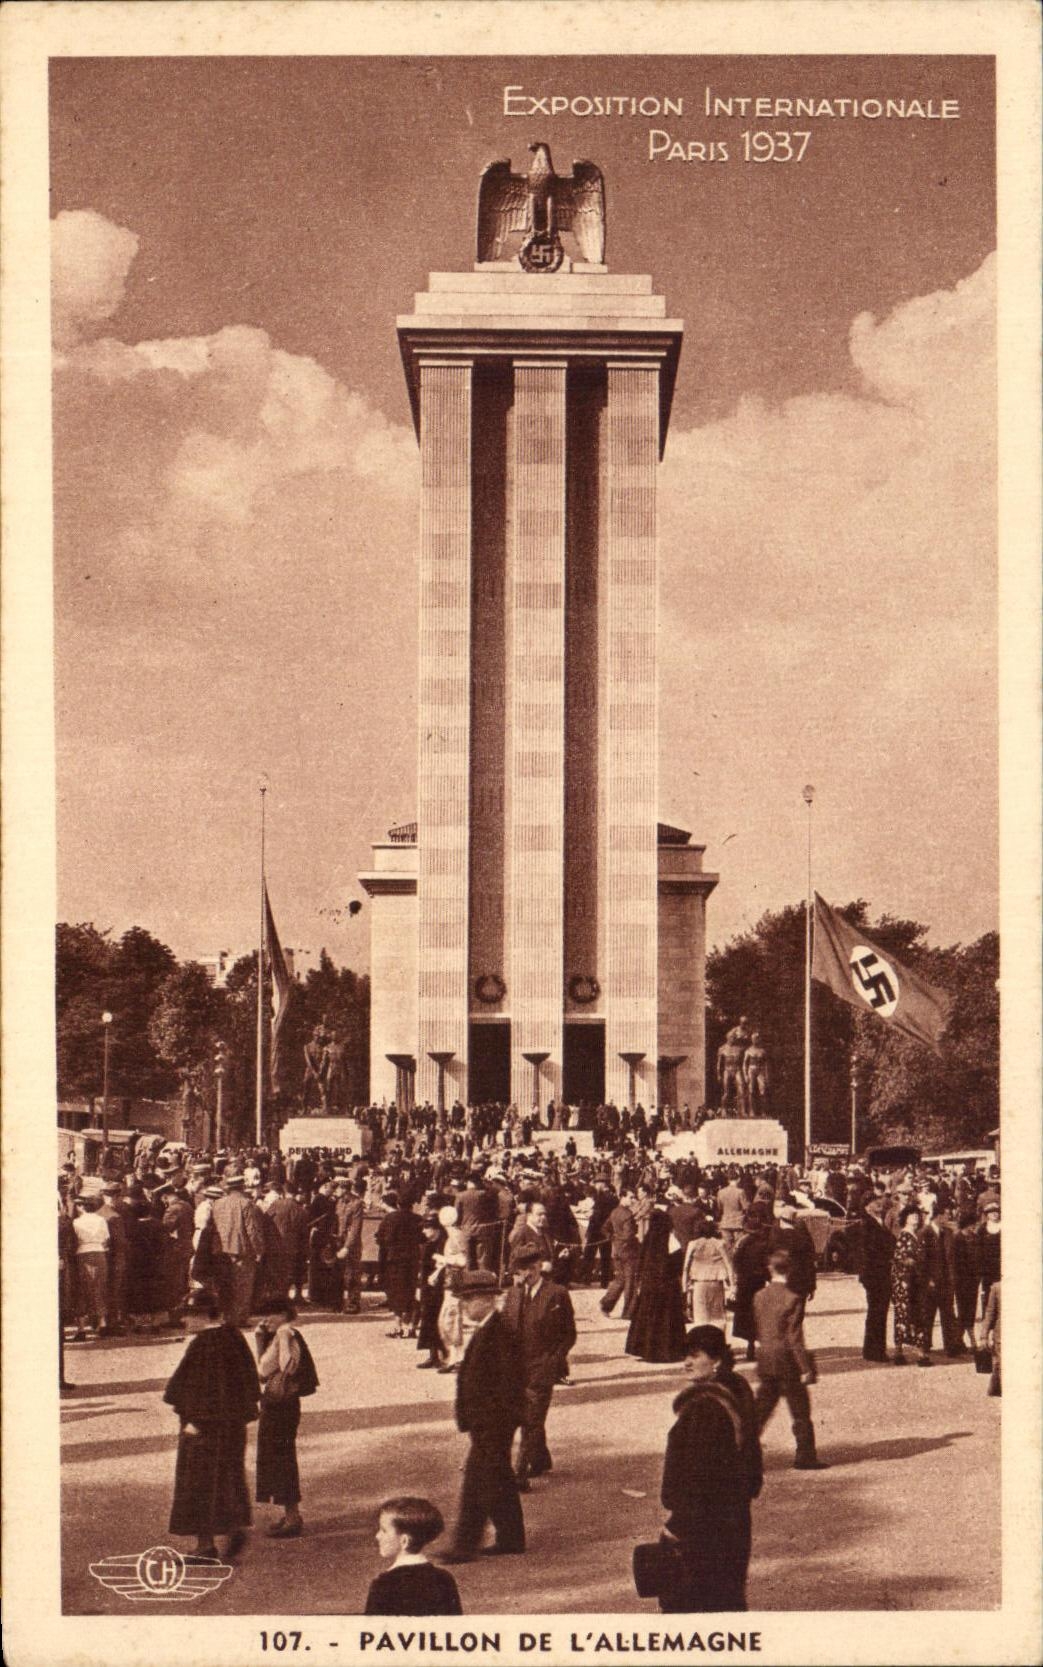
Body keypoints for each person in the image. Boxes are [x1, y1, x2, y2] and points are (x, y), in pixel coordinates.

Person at [658, 1325, 763, 1612]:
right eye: (685, 1355)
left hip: (703, 1528)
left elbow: (696, 1478)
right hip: (734, 1520)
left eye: (695, 1355)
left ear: (716, 1360)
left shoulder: (704, 1408)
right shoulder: (737, 1389)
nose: (686, 1362)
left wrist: (676, 1523)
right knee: (727, 1600)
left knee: (694, 1609)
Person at [163, 1289, 260, 1560]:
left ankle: (205, 1545)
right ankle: (233, 1526)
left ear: (202, 1315)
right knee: (228, 1478)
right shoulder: (232, 1336)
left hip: (204, 1427)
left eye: (188, 1315)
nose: (184, 1321)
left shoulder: (204, 1345)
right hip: (231, 1426)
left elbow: (198, 1389)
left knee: (197, 1484)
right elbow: (247, 1381)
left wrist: (194, 1420)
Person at [442, 1270, 525, 1563]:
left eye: (468, 1300)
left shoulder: (499, 1332)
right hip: (489, 1422)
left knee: (477, 1482)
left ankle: (464, 1545)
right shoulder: (488, 1328)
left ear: (487, 1299)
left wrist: (489, 1421)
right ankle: (512, 1537)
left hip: (492, 1423)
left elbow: (506, 1383)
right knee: (498, 1478)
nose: (464, 1306)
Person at [501, 1244, 577, 1491]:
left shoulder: (557, 1294)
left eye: (525, 1271)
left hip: (542, 1366)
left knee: (530, 1420)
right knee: (530, 1417)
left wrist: (554, 1360)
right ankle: (540, 1459)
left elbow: (569, 1334)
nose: (521, 1276)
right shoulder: (512, 1295)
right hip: (515, 1368)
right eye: (518, 1272)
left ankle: (519, 1474)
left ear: (536, 1268)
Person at [752, 1249, 828, 1470]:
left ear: (770, 1269)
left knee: (761, 1410)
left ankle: (740, 1451)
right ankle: (805, 1456)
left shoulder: (759, 1296)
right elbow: (794, 1337)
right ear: (790, 1270)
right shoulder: (793, 1298)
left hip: (766, 1357)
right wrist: (805, 1367)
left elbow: (759, 1329)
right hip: (787, 1361)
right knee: (800, 1410)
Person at [254, 1300, 319, 1539]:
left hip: (283, 1406)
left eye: (271, 1314)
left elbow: (287, 1367)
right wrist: (261, 1338)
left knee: (282, 1459)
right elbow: (262, 1371)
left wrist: (281, 1337)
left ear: (283, 1315)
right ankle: (289, 1512)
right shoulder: (277, 1334)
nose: (266, 1319)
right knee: (275, 1458)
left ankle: (293, 1517)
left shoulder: (288, 1335)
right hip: (274, 1404)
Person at [366, 1497, 462, 1615]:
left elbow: (372, 1630)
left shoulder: (383, 1584)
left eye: (383, 1530)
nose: (377, 1536)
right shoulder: (445, 1579)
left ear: (404, 1541)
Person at [625, 1199, 687, 1364]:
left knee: (648, 1316)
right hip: (667, 1285)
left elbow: (641, 1261)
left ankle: (646, 1349)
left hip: (649, 1284)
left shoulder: (648, 1239)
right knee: (667, 1318)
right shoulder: (671, 1240)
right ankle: (667, 1350)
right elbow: (677, 1261)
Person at [891, 1203, 929, 1366]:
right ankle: (899, 1351)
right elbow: (899, 1257)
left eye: (917, 1215)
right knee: (903, 1314)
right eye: (912, 1215)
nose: (915, 1217)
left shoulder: (918, 1235)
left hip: (917, 1280)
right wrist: (912, 1262)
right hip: (905, 1281)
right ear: (905, 1218)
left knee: (919, 1314)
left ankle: (920, 1353)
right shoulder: (904, 1236)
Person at [681, 1217, 733, 1327]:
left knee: (701, 1317)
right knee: (717, 1318)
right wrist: (732, 1285)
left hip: (699, 1283)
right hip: (716, 1283)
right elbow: (729, 1265)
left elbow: (686, 1267)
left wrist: (684, 1287)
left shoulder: (693, 1244)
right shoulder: (720, 1244)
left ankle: (702, 1342)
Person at [600, 1187, 640, 1320]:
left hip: (616, 1250)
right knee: (631, 1282)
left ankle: (606, 1304)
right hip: (629, 1251)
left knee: (620, 1279)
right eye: (630, 1197)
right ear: (622, 1197)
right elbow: (629, 1235)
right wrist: (633, 1240)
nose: (633, 1200)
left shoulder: (614, 1211)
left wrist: (613, 1239)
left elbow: (605, 1228)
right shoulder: (628, 1214)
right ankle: (628, 1312)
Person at [980, 1280, 1000, 1397]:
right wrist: (984, 1336)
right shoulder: (997, 1288)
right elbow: (989, 1314)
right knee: (999, 1363)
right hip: (1001, 1335)